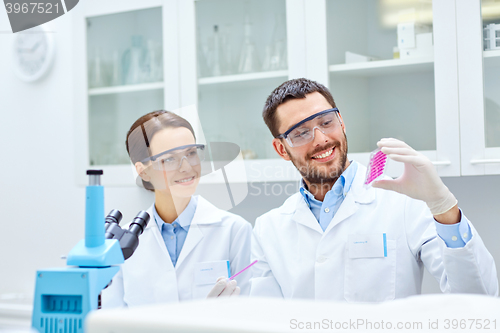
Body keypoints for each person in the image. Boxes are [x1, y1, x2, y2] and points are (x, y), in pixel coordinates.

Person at [249, 78, 498, 302]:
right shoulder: (268, 229)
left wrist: (444, 207)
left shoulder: (403, 203)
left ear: (342, 123)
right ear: (282, 149)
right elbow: (265, 321)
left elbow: (478, 300)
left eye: (326, 122)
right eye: (301, 133)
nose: (321, 139)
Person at [102, 110, 252, 307]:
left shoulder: (235, 231)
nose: (186, 167)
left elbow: (251, 314)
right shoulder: (120, 245)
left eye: (191, 153)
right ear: (143, 171)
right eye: (169, 159)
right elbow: (111, 321)